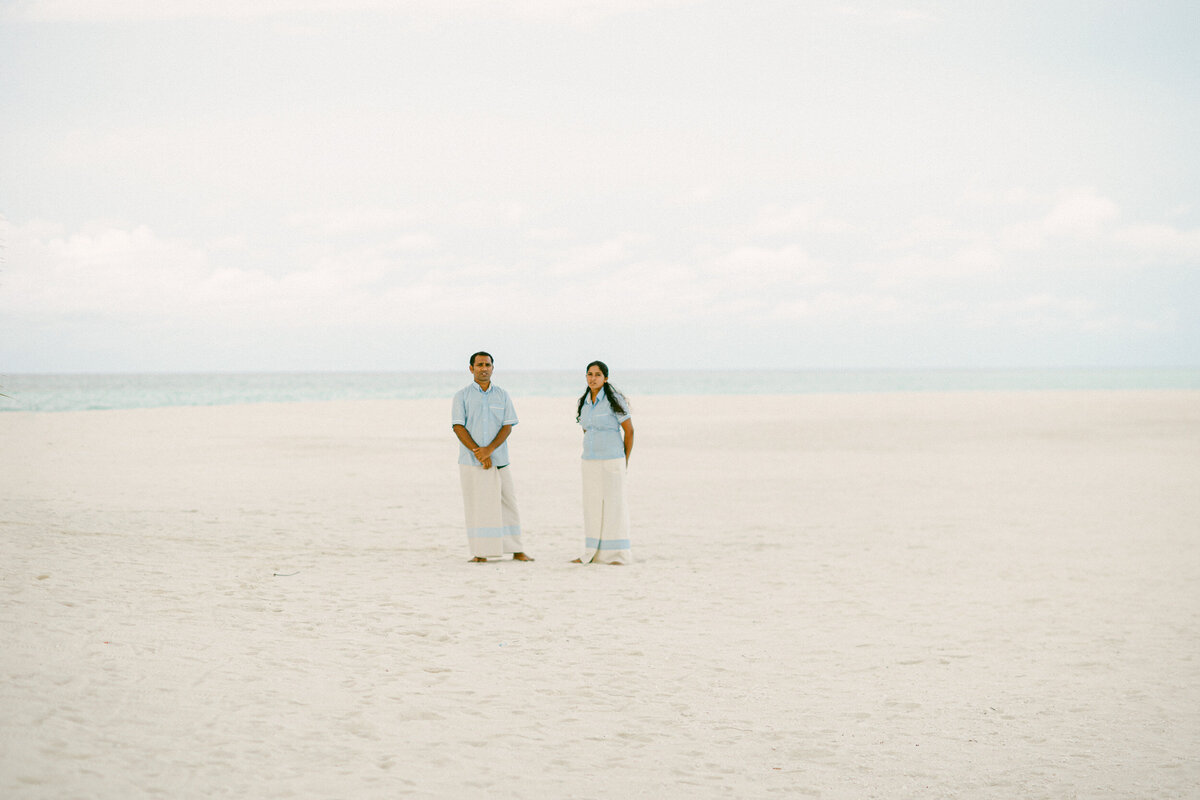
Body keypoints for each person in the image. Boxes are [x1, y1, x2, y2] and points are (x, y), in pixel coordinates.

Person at [451, 352, 533, 563]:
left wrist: (490, 450)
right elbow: (458, 426)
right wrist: (479, 452)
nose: (484, 368)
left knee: (508, 503)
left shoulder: (502, 395)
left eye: (487, 364)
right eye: (479, 365)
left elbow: (508, 425)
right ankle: (480, 553)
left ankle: (517, 549)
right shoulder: (462, 396)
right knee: (478, 506)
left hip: (500, 459)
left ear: (493, 368)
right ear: (471, 368)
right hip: (471, 461)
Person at [572, 360, 634, 565]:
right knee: (592, 505)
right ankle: (593, 552)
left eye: (597, 374)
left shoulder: (614, 400)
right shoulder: (585, 401)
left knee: (614, 505)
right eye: (589, 374)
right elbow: (586, 428)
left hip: (613, 458)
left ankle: (617, 554)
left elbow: (629, 431)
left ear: (605, 378)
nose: (593, 378)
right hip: (589, 460)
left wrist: (624, 459)